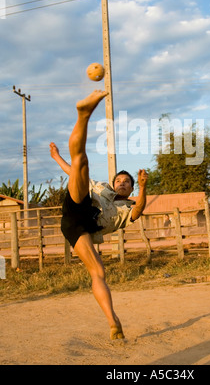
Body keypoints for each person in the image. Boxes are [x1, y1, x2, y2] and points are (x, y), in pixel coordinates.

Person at [50, 89, 148, 339]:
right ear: (114, 183)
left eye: (127, 181)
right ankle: (83, 114)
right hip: (79, 204)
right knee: (81, 163)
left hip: (82, 228)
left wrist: (145, 187)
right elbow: (74, 172)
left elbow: (139, 211)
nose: (122, 183)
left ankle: (113, 321)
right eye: (119, 180)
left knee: (99, 273)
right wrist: (57, 157)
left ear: (132, 187)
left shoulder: (128, 207)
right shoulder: (102, 187)